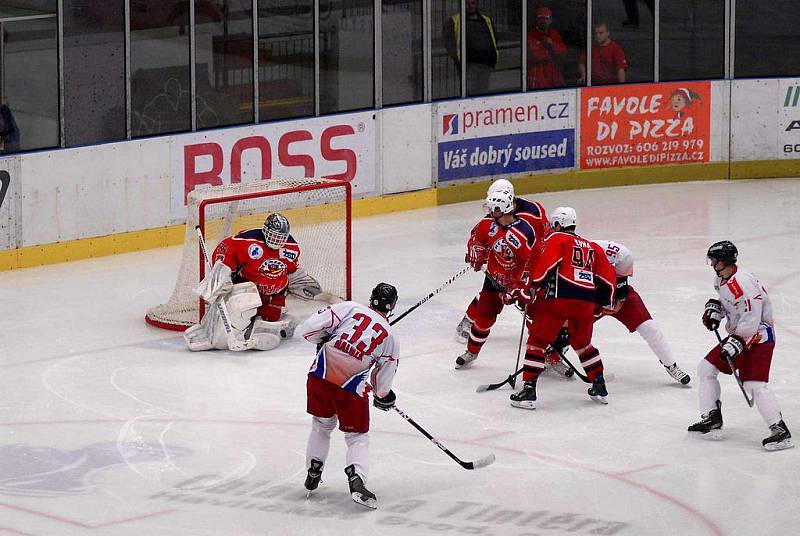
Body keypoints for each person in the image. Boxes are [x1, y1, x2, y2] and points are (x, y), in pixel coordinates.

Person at [298, 282, 400, 508]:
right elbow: (382, 384)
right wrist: (384, 395)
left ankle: (313, 470)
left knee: (321, 426)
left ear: (371, 297)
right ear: (392, 306)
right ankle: (357, 479)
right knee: (357, 438)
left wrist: (323, 340)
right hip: (351, 389)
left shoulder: (350, 308)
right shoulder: (390, 336)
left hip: (320, 377)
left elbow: (307, 329)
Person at [508, 207, 616, 409]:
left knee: (537, 342)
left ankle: (529, 391)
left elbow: (547, 265)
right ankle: (599, 385)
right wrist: (601, 303)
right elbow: (608, 279)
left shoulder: (557, 239)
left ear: (558, 224)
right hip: (585, 302)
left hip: (560, 298)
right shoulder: (592, 246)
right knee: (583, 344)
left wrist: (532, 288)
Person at [689, 241, 792, 451]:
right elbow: (730, 302)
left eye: (714, 260)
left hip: (759, 338)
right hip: (741, 335)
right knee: (706, 368)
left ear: (724, 261)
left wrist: (737, 342)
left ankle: (780, 431)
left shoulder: (743, 283)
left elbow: (752, 316)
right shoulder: (723, 278)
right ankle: (712, 419)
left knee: (754, 385)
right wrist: (716, 309)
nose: (712, 264)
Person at [183, 213, 321, 351]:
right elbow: (226, 247)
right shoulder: (247, 241)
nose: (277, 241)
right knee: (238, 313)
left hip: (274, 295)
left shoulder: (291, 247)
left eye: (280, 238)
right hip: (248, 289)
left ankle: (286, 323)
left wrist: (299, 280)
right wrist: (223, 269)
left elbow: (291, 270)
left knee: (266, 331)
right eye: (273, 236)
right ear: (265, 231)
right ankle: (210, 335)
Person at [576, 240, 690, 384]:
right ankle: (552, 355)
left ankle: (671, 365)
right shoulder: (583, 254)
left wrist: (616, 302)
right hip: (588, 296)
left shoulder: (622, 257)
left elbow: (620, 292)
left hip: (614, 295)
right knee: (569, 326)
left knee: (650, 328)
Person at [455, 178, 548, 344]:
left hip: (525, 266)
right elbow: (480, 233)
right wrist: (476, 248)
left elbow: (542, 245)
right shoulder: (498, 209)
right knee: (490, 294)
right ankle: (470, 320)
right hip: (502, 264)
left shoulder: (533, 213)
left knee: (534, 304)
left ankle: (543, 338)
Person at [443, 0, 499, 95]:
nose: (470, 6)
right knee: (468, 93)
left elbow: (493, 38)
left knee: (483, 93)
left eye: (473, 3)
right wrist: (457, 58)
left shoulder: (486, 20)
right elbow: (448, 42)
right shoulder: (455, 20)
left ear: (477, 4)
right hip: (468, 65)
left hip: (484, 64)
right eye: (467, 4)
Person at [526, 6, 567, 89]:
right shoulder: (531, 35)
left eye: (546, 18)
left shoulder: (554, 34)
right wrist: (553, 51)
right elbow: (536, 55)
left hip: (554, 75)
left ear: (551, 20)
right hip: (538, 76)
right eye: (541, 18)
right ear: (537, 20)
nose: (543, 21)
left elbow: (564, 52)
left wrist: (551, 44)